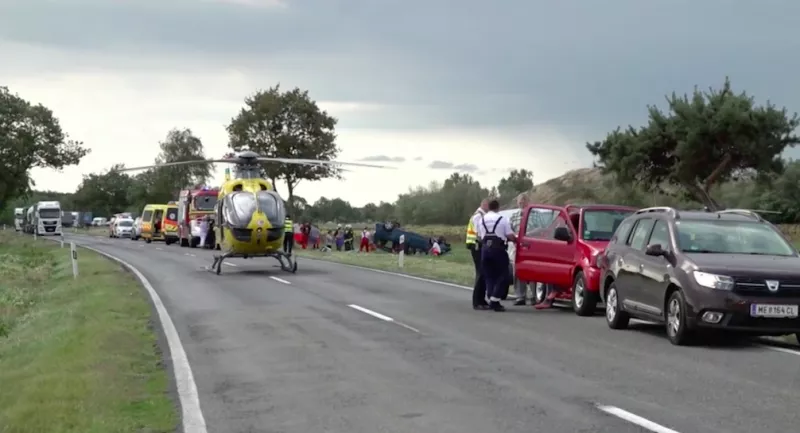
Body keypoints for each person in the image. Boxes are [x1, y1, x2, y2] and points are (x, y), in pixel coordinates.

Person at [477, 199, 517, 312]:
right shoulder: (502, 219)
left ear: (489, 207)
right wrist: (514, 240)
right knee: (503, 274)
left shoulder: (482, 219)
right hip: (498, 250)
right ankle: (495, 299)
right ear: (498, 208)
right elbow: (509, 235)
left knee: (489, 275)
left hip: (485, 250)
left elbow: (479, 236)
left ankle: (491, 297)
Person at [467, 199, 489, 310]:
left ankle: (482, 299)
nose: (488, 207)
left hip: (478, 246)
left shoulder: (482, 215)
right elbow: (479, 233)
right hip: (476, 246)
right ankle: (477, 301)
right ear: (483, 205)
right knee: (480, 273)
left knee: (483, 273)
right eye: (487, 205)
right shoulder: (478, 216)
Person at [509, 194, 531, 306]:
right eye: (520, 201)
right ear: (517, 203)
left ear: (528, 201)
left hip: (532, 247)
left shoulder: (534, 214)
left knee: (533, 271)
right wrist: (514, 238)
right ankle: (520, 296)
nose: (522, 203)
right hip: (517, 248)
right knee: (517, 271)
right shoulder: (513, 216)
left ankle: (534, 296)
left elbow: (542, 228)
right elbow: (509, 230)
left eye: (524, 200)